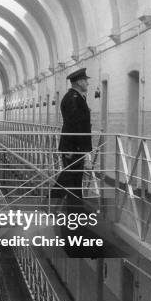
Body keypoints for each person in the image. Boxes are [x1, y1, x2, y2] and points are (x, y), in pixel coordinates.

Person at [54, 67, 92, 204]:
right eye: (85, 81)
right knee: (71, 178)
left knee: (74, 178)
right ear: (79, 82)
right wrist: (71, 148)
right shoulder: (73, 99)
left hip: (76, 146)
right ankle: (53, 204)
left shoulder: (75, 98)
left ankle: (75, 209)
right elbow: (72, 124)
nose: (87, 83)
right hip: (73, 147)